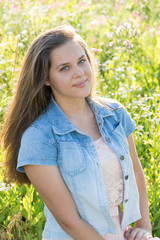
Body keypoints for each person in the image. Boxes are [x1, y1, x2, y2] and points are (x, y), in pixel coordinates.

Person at [1, 25, 159, 240]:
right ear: (46, 78)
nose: (79, 73)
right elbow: (69, 221)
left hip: (121, 233)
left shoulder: (114, 114)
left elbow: (136, 174)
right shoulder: (39, 136)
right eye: (64, 68)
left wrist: (144, 228)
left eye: (81, 61)